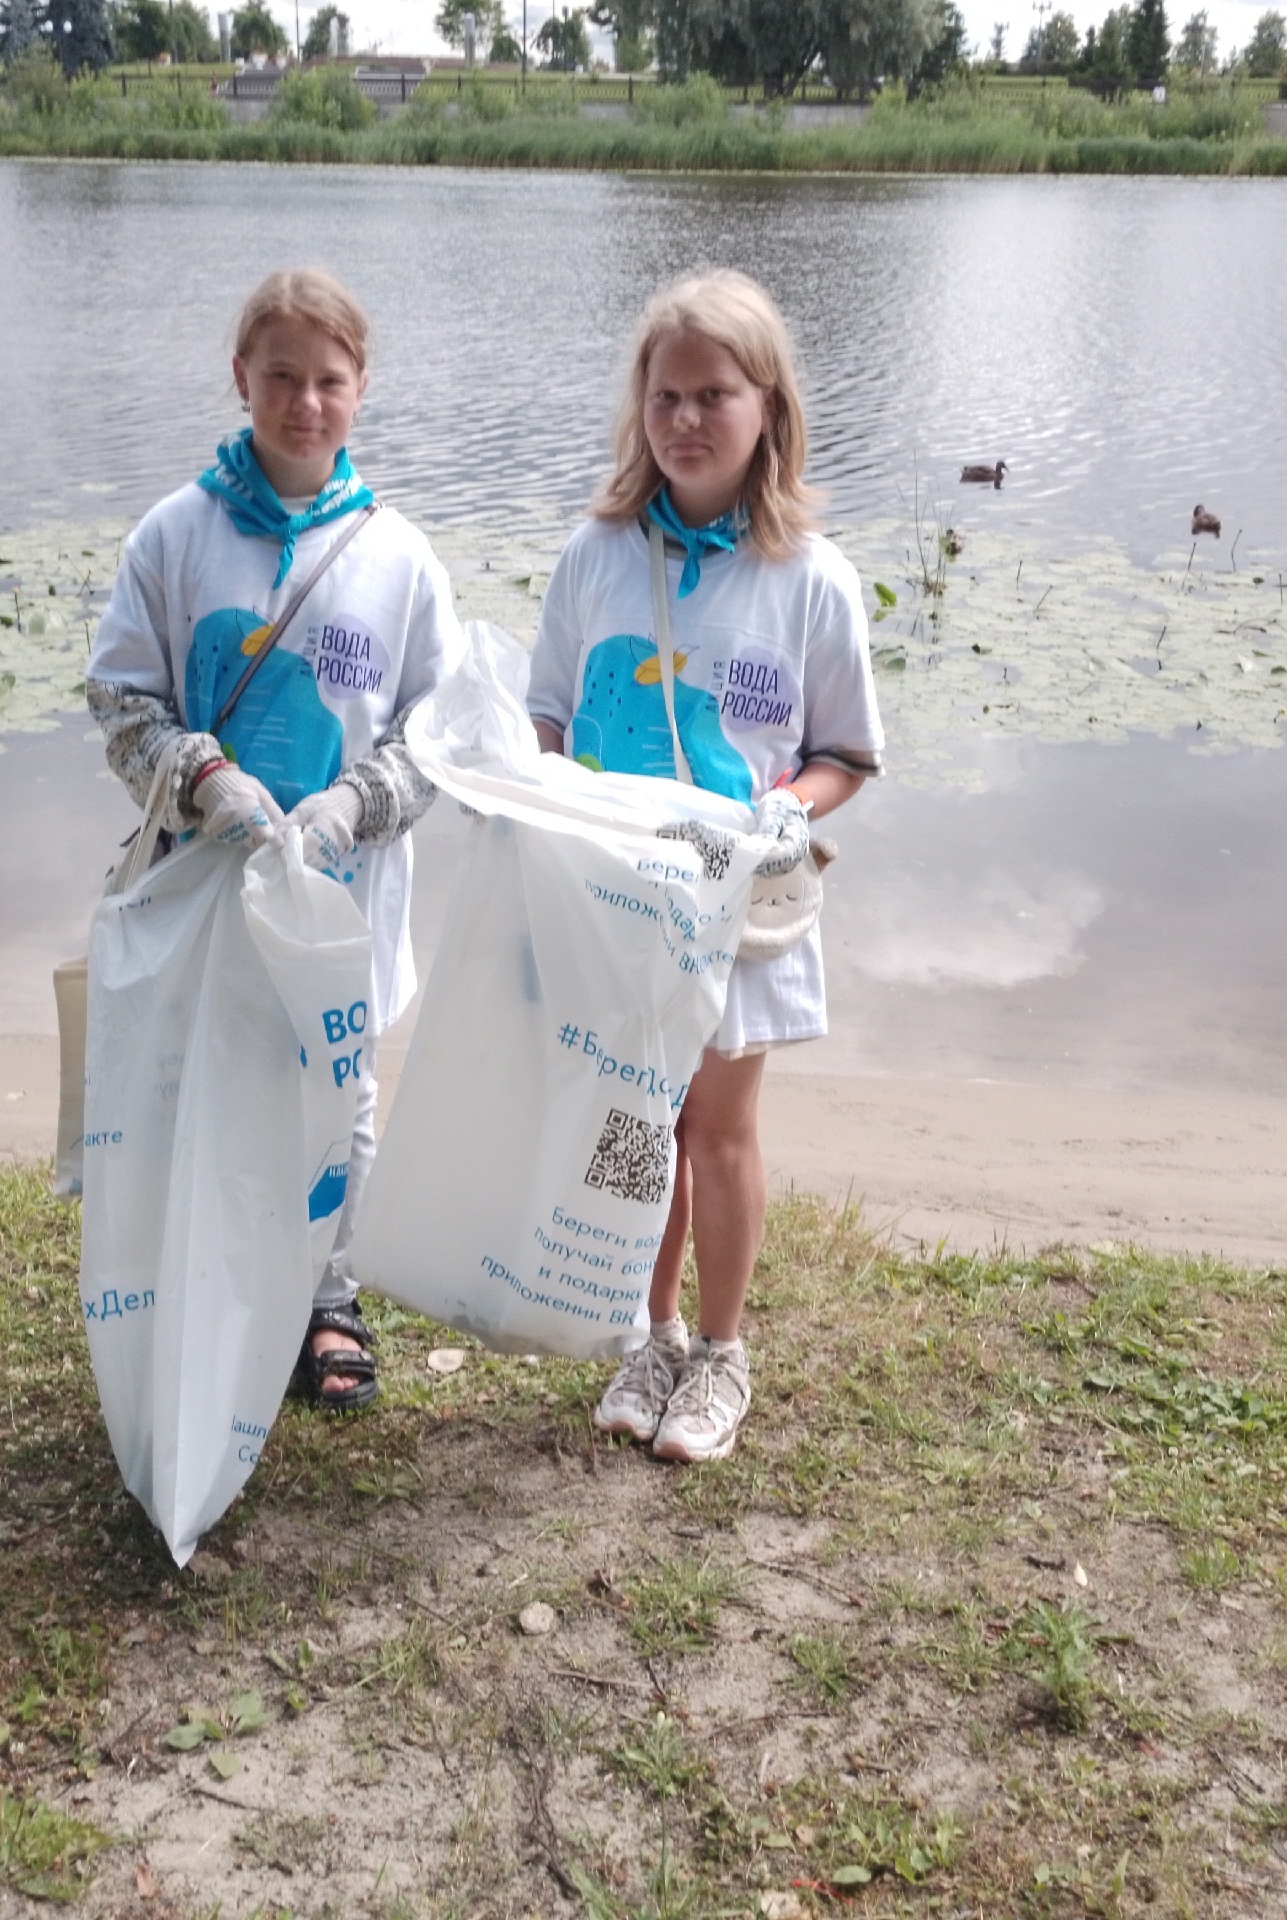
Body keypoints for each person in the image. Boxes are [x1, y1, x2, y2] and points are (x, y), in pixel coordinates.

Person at [86, 268, 464, 1412]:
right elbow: (119, 697)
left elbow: (438, 731)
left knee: (337, 1097)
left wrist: (359, 803)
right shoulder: (176, 535)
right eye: (283, 377)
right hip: (202, 887)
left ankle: (325, 1297)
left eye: (330, 381)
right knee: (200, 1084)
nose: (306, 402)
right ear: (240, 377)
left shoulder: (397, 557)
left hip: (339, 907)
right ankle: (211, 1276)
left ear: (362, 390)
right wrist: (201, 777)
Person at [526, 270, 883, 1464]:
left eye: (713, 395)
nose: (685, 420)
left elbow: (845, 753)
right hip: (617, 907)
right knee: (633, 1119)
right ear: (640, 407)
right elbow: (542, 724)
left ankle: (720, 1357)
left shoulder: (811, 580)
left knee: (713, 1129)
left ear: (767, 405)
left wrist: (788, 805)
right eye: (665, 396)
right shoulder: (595, 556)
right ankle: (651, 1331)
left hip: (737, 909)